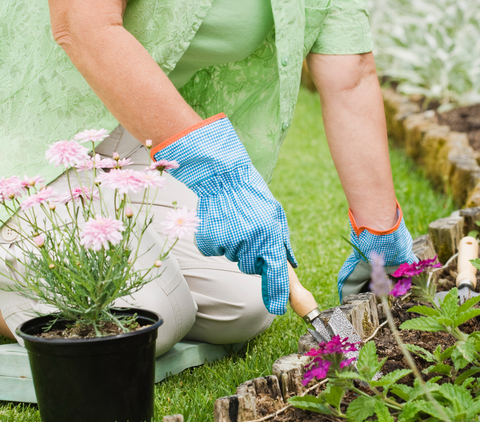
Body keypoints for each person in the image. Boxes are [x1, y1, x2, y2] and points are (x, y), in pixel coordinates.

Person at [0, 0, 416, 354]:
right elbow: (81, 24)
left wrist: (381, 234)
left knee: (247, 304)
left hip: (137, 136)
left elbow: (352, 75)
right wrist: (215, 169)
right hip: (27, 133)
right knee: (150, 317)